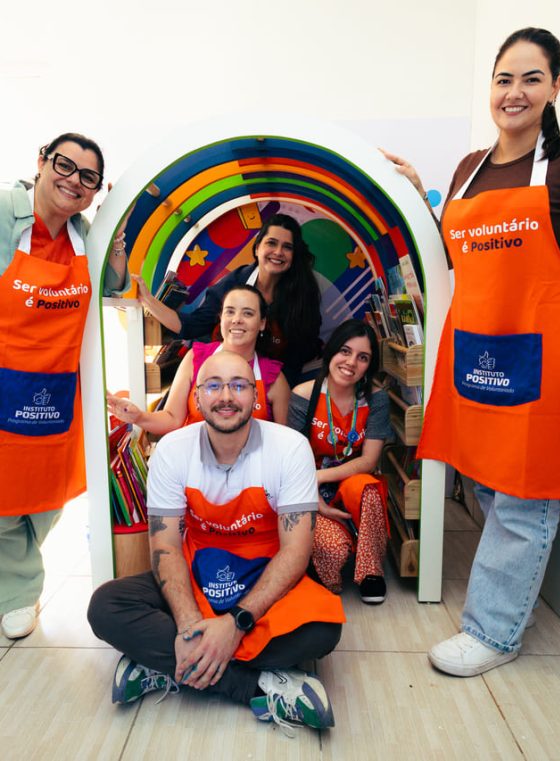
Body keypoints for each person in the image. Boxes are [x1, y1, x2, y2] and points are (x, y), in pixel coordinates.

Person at [388, 28, 560, 676]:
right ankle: (509, 603)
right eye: (503, 79)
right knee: (487, 482)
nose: (514, 92)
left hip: (543, 356)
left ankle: (493, 631)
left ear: (555, 87)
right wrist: (419, 195)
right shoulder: (468, 169)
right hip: (476, 350)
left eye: (531, 78)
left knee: (524, 493)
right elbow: (450, 255)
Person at [88, 352, 345, 733]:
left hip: (264, 578)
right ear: (197, 397)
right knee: (106, 606)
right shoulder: (173, 450)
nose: (226, 396)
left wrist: (236, 624)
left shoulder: (290, 448)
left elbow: (295, 551)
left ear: (256, 397)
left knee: (323, 631)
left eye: (239, 385)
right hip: (195, 573)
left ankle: (164, 665)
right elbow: (165, 547)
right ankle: (257, 686)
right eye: (213, 385)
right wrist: (190, 626)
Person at [0, 133, 130, 640]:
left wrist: (115, 241)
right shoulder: (5, 213)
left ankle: (14, 571)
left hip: (56, 390)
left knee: (47, 496)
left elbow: (111, 286)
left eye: (88, 177)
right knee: (4, 501)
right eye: (64, 165)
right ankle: (19, 592)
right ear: (41, 162)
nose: (74, 181)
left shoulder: (83, 235)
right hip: (4, 382)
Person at [134, 213, 322, 386]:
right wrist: (148, 300)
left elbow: (296, 357)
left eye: (287, 247)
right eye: (271, 243)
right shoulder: (235, 282)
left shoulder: (303, 294)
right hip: (219, 372)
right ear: (257, 248)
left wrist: (277, 393)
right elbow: (192, 326)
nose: (278, 252)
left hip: (267, 381)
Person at [288, 320, 392, 604]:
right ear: (332, 351)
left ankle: (371, 572)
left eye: (363, 357)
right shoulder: (304, 395)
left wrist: (319, 477)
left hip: (351, 485)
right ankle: (330, 556)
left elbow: (368, 460)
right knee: (333, 555)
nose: (351, 363)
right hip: (308, 490)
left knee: (369, 488)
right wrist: (312, 493)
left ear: (369, 365)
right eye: (345, 351)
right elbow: (292, 462)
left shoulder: (376, 399)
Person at [107, 284, 290, 430]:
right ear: (220, 318)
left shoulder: (274, 378)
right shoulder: (196, 357)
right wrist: (138, 417)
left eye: (248, 313)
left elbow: (285, 443)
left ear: (262, 323)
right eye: (230, 311)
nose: (237, 319)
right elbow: (172, 419)